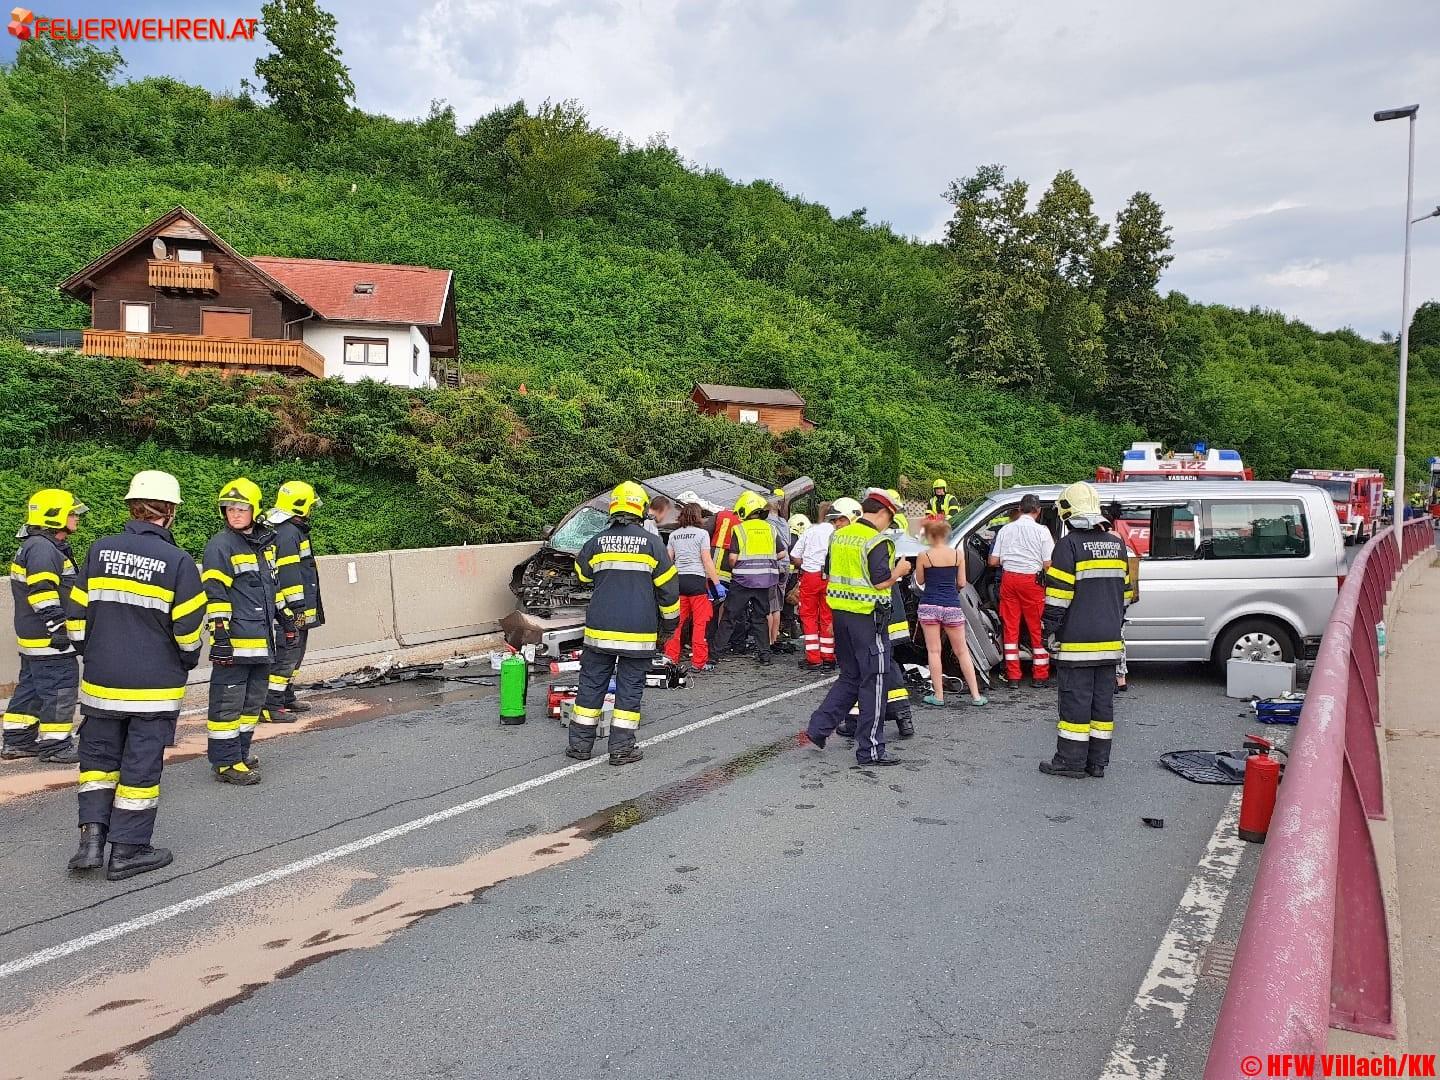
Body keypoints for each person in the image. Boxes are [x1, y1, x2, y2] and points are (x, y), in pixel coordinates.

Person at [68, 471, 206, 879]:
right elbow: (188, 630)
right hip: (153, 688)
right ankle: (128, 851)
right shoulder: (178, 562)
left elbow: (76, 619)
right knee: (140, 769)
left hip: (100, 684)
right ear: (171, 512)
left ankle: (90, 841)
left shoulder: (99, 550)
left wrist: (94, 653)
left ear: (133, 506)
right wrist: (187, 659)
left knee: (97, 761)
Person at [567, 482, 679, 766]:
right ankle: (621, 750)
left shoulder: (597, 541)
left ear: (614, 507)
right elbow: (668, 591)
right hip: (638, 633)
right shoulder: (653, 544)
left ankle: (579, 747)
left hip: (599, 632)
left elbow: (582, 574)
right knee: (630, 690)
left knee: (591, 686)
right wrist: (669, 626)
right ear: (641, 509)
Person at [804, 488, 912, 766]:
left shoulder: (838, 536)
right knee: (874, 680)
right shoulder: (877, 542)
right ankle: (871, 750)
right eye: (891, 517)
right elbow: (879, 582)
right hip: (868, 619)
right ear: (884, 513)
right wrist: (899, 572)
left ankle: (818, 729)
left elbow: (828, 573)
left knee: (850, 676)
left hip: (841, 617)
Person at [202, 479, 296, 786]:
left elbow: (272, 587)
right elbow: (215, 593)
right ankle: (225, 762)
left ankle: (239, 752)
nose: (235, 513)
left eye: (242, 508)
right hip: (236, 642)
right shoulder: (221, 545)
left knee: (251, 702)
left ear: (254, 510)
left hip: (261, 641)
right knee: (228, 702)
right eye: (230, 508)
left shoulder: (262, 545)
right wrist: (220, 636)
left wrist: (286, 618)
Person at [1039, 481, 1130, 780]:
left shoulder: (1068, 546)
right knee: (1102, 705)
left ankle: (1070, 762)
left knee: (1076, 703)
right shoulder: (1117, 545)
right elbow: (1126, 595)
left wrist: (1047, 631)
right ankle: (1097, 763)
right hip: (1110, 643)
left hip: (1077, 643)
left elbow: (1057, 599)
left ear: (1068, 512)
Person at [2, 489, 87, 764]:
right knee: (60, 688)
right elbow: (41, 590)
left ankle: (17, 740)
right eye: (71, 513)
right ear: (55, 516)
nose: (76, 517)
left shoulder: (38, 546)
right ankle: (56, 745)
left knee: (32, 688)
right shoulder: (42, 548)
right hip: (49, 638)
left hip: (33, 636)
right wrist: (58, 627)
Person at [265, 481, 325, 720]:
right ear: (300, 506)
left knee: (295, 653)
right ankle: (271, 704)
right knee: (287, 653)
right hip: (291, 609)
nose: (311, 510)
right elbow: (289, 573)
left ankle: (286, 695)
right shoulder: (289, 533)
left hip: (296, 606)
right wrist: (297, 608)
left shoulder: (285, 528)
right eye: (309, 505)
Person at [914, 517, 987, 707]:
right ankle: (976, 696)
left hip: (929, 606)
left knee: (934, 651)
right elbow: (962, 583)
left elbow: (920, 581)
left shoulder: (924, 555)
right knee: (962, 651)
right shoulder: (957, 555)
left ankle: (938, 696)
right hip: (951, 606)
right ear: (946, 534)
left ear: (929, 534)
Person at [988, 493, 1055, 687]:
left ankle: (1013, 677)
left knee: (1010, 630)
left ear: (1019, 508)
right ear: (1038, 511)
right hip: (1032, 583)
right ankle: (1039, 676)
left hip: (1009, 581)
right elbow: (1048, 564)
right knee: (1036, 629)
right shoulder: (1042, 532)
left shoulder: (1006, 529)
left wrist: (1010, 558)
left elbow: (992, 561)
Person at [791, 499, 857, 671]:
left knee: (808, 616)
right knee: (827, 616)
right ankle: (829, 656)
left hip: (811, 576)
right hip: (831, 576)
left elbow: (795, 556)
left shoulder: (811, 531)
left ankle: (813, 658)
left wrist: (806, 564)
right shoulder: (840, 532)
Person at [718, 491, 782, 666]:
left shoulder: (739, 529)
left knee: (729, 617)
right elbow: (782, 553)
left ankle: (714, 655)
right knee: (760, 618)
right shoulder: (771, 528)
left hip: (742, 581)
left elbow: (732, 558)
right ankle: (765, 655)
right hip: (765, 582)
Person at [662, 502, 721, 673]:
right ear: (697, 516)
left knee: (676, 624)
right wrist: (717, 584)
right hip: (697, 583)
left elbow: (668, 561)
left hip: (679, 582)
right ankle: (699, 662)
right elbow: (707, 560)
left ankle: (670, 658)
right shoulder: (702, 534)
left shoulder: (673, 535)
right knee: (699, 623)